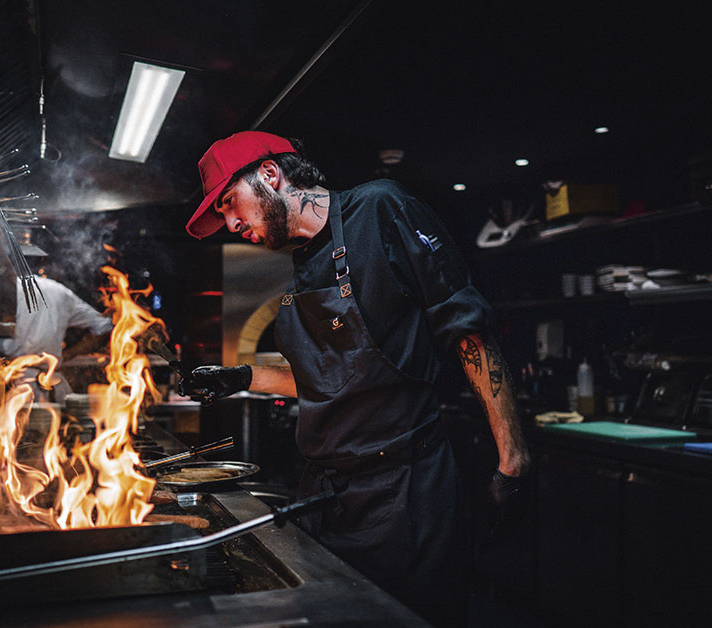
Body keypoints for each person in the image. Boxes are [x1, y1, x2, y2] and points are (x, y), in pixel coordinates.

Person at [177, 131, 531, 626]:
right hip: (328, 497)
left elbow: (467, 332)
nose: (232, 224)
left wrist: (511, 458)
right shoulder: (303, 269)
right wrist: (240, 376)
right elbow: (325, 381)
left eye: (231, 204)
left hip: (405, 494)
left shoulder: (380, 209)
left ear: (271, 175)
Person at [0, 274, 112, 402]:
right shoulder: (60, 292)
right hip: (50, 384)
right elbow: (105, 327)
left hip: (10, 384)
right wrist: (68, 355)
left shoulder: (3, 290)